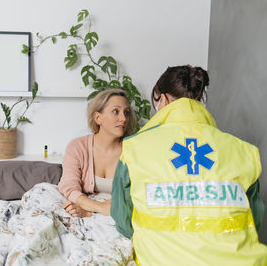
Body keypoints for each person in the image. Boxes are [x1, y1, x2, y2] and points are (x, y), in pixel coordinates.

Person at [111, 65, 267, 265]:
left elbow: (122, 219)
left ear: (163, 98)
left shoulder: (135, 149)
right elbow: (254, 220)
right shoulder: (244, 151)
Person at [58, 89, 135, 217]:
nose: (123, 118)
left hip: (119, 211)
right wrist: (96, 208)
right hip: (86, 206)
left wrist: (91, 212)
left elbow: (138, 195)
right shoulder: (78, 147)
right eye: (116, 112)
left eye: (126, 113)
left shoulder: (134, 150)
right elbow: (69, 187)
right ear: (98, 118)